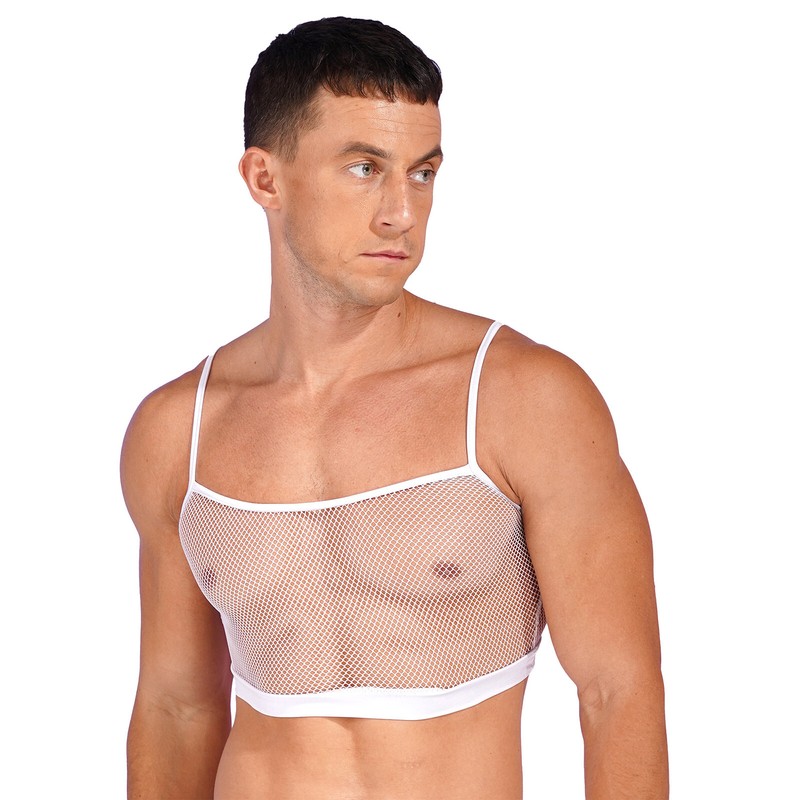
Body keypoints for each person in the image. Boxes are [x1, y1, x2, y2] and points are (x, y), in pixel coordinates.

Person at [121, 16, 668, 800]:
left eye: (422, 173)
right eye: (363, 168)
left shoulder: (520, 399)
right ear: (265, 178)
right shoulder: (179, 430)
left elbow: (617, 692)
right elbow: (177, 707)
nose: (400, 213)